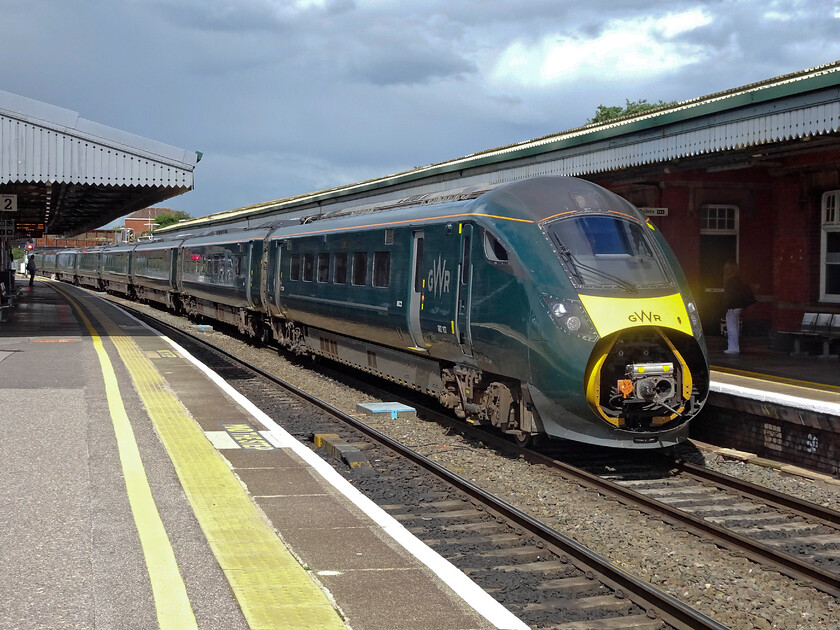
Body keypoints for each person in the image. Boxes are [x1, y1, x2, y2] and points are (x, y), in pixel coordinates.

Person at [722, 261, 755, 354]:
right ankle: (734, 347)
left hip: (732, 307)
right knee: (734, 327)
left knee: (731, 328)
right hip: (737, 307)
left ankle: (733, 348)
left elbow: (728, 296)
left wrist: (724, 307)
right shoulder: (738, 280)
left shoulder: (730, 281)